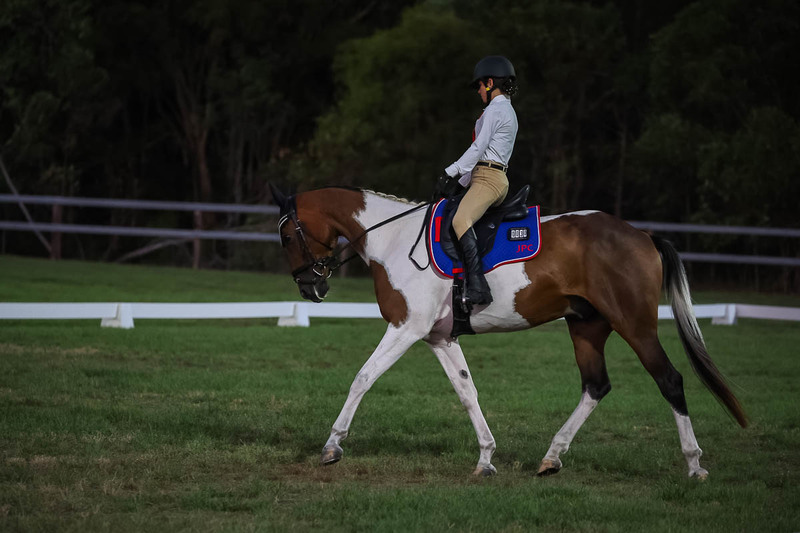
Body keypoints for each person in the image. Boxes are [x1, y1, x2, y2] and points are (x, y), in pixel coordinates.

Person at [440, 55, 518, 308]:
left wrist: (450, 172)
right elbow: (484, 155)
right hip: (487, 176)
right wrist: (460, 183)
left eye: (479, 85)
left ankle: (478, 286)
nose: (478, 91)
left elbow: (478, 148)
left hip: (488, 179)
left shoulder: (496, 110)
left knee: (460, 220)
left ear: (490, 83)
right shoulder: (504, 109)